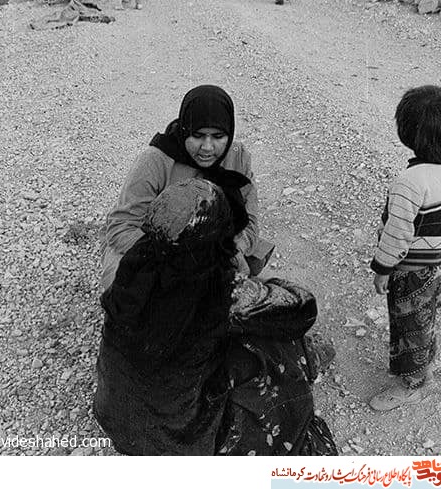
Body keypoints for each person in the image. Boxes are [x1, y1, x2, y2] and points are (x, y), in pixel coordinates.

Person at [94, 178, 338, 455]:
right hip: (178, 441)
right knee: (271, 338)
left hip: (115, 421)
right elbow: (302, 307)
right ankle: (305, 367)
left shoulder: (135, 264)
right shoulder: (218, 290)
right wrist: (247, 277)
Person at [101, 84, 274, 290]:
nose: (207, 147)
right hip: (156, 246)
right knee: (125, 284)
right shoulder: (155, 161)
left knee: (246, 268)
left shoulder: (238, 156)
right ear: (184, 130)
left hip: (210, 243)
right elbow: (121, 226)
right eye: (197, 135)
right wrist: (178, 257)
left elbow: (250, 221)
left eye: (218, 137)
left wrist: (234, 249)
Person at [369, 85, 441, 411]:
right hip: (435, 264)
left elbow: (396, 235)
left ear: (408, 133)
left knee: (408, 325)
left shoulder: (408, 183)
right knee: (424, 319)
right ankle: (424, 364)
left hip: (409, 271)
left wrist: (382, 269)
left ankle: (411, 384)